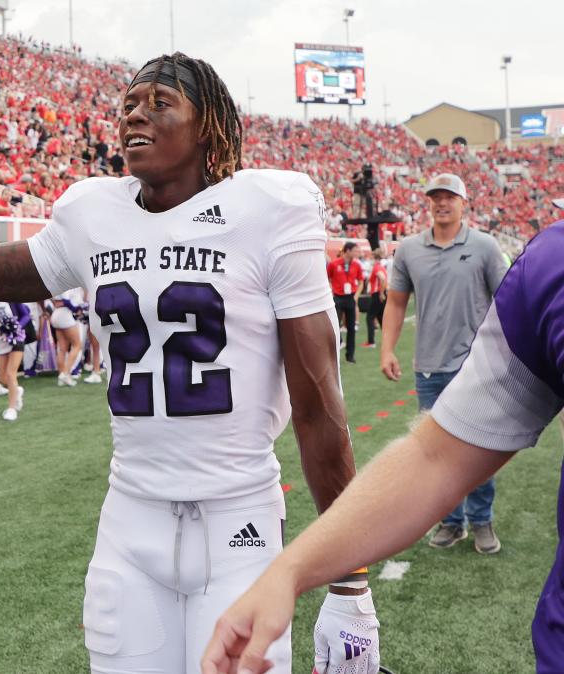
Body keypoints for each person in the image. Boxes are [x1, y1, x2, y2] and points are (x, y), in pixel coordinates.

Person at [0, 56, 378, 673]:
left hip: (239, 521)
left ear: (209, 128)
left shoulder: (269, 209)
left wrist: (351, 585)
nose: (136, 114)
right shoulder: (94, 215)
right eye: (129, 104)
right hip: (131, 516)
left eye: (160, 101)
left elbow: (319, 412)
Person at [202, 218, 564, 674]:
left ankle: (480, 523)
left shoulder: (500, 252)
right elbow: (437, 457)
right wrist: (288, 572)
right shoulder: (552, 266)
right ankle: (460, 525)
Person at [381, 173, 507, 554]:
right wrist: (387, 349)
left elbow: (505, 298)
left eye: (449, 196)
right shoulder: (409, 250)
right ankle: (451, 522)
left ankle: (482, 521)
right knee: (437, 453)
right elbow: (397, 302)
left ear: (463, 202)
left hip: (476, 365)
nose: (442, 203)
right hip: (429, 368)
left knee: (479, 448)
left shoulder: (485, 246)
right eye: (436, 197)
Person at [0, 301, 32, 421]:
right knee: (3, 379)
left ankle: (12, 409)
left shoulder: (11, 298)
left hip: (17, 339)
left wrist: (15, 327)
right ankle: (17, 390)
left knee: (11, 374)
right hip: (0, 342)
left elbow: (26, 315)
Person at [326, 242, 363, 363]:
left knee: (351, 328)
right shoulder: (334, 264)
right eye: (355, 250)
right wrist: (330, 291)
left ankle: (350, 355)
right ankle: (335, 352)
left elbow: (361, 281)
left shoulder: (357, 265)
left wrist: (356, 296)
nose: (357, 253)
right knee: (335, 325)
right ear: (347, 251)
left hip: (350, 297)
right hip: (338, 297)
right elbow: (327, 278)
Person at [49, 291, 83, 387]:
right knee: (77, 345)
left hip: (55, 313)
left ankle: (61, 376)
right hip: (64, 314)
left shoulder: (55, 283)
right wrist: (77, 309)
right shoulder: (64, 283)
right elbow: (66, 301)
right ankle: (66, 374)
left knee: (62, 348)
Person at [362, 248, 387, 348]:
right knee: (381, 318)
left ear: (374, 257)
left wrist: (381, 293)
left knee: (370, 317)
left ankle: (371, 341)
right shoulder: (381, 267)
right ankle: (387, 340)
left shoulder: (377, 267)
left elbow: (383, 279)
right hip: (381, 293)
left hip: (377, 294)